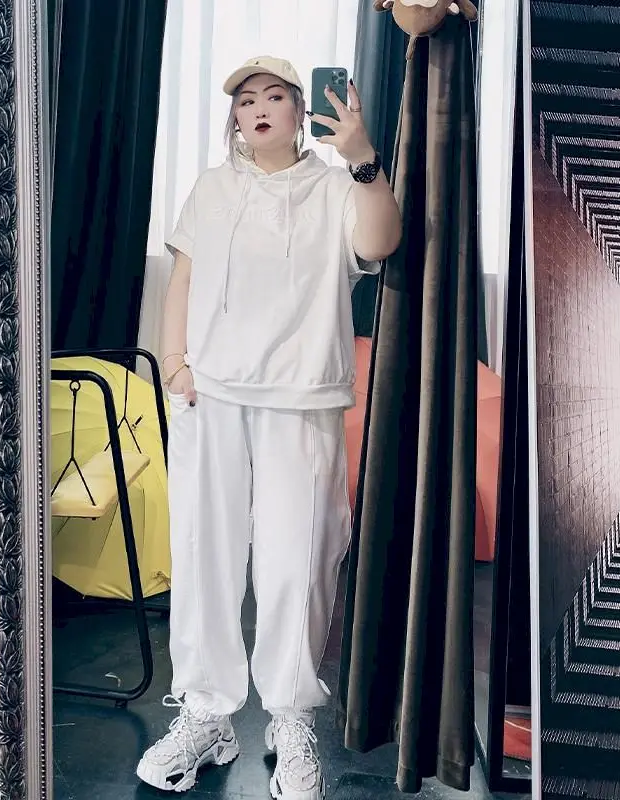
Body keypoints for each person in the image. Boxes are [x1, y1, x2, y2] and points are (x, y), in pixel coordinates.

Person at [136, 56, 402, 799]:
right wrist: (174, 363)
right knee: (205, 555)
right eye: (246, 98)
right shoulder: (212, 188)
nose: (257, 107)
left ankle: (291, 719)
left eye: (275, 96)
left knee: (299, 562)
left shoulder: (334, 186)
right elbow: (183, 280)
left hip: (303, 397)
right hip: (211, 396)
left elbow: (380, 244)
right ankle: (207, 714)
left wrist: (363, 159)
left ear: (299, 111)